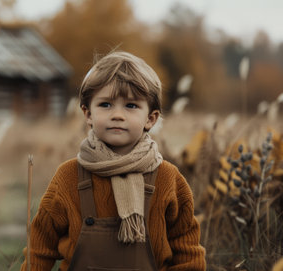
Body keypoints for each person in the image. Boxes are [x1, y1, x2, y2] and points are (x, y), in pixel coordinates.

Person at [20, 51, 206, 271]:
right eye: (106, 105)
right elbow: (39, 249)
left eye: (131, 106)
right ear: (88, 114)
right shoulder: (68, 177)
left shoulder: (168, 179)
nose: (117, 115)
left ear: (151, 118)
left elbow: (188, 254)